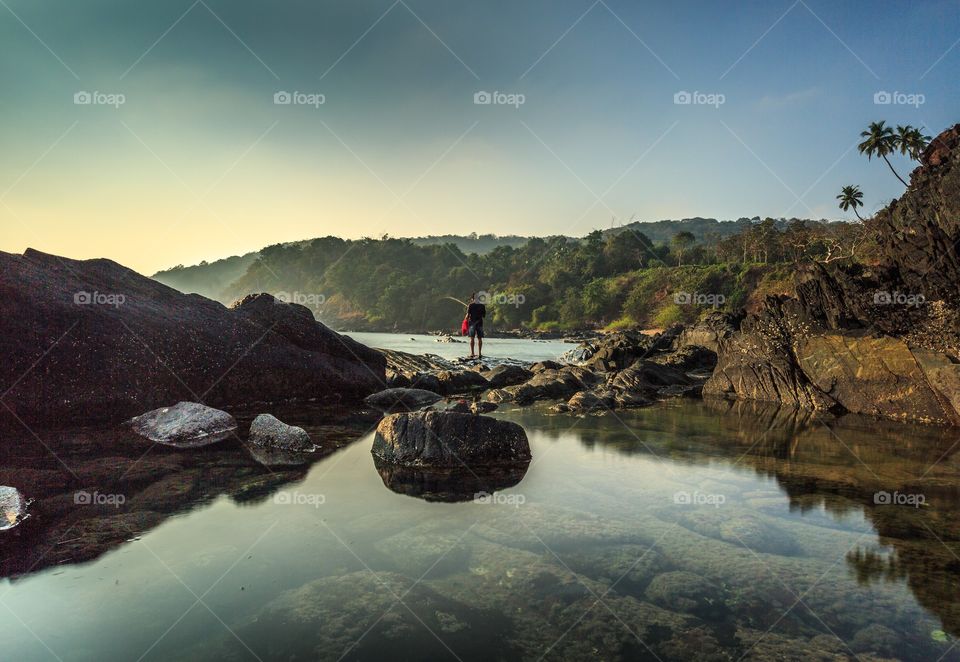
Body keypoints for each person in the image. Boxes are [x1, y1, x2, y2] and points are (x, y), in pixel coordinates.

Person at [464, 293, 486, 358]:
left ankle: (472, 353)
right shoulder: (482, 306)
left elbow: (467, 316)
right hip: (479, 323)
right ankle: (480, 353)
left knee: (472, 338)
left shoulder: (470, 305)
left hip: (472, 323)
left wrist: (466, 318)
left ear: (472, 299)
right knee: (480, 338)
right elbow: (484, 316)